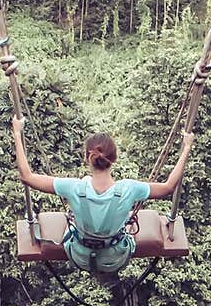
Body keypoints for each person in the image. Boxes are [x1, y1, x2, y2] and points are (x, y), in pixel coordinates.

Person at [11, 117, 195, 281]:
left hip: (80, 257)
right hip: (115, 259)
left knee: (70, 220)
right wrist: (186, 148)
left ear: (86, 158)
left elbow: (27, 177)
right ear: (114, 158)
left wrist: (17, 134)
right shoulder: (129, 189)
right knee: (127, 226)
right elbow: (168, 187)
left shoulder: (74, 187)